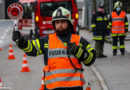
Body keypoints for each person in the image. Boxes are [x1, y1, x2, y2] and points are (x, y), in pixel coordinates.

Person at [12, 7, 96, 90]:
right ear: (54, 24)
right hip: (52, 88)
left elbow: (91, 59)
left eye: (63, 22)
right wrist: (21, 42)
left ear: (69, 23)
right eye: (57, 22)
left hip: (74, 87)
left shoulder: (79, 40)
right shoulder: (46, 40)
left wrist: (79, 52)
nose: (60, 25)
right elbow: (31, 49)